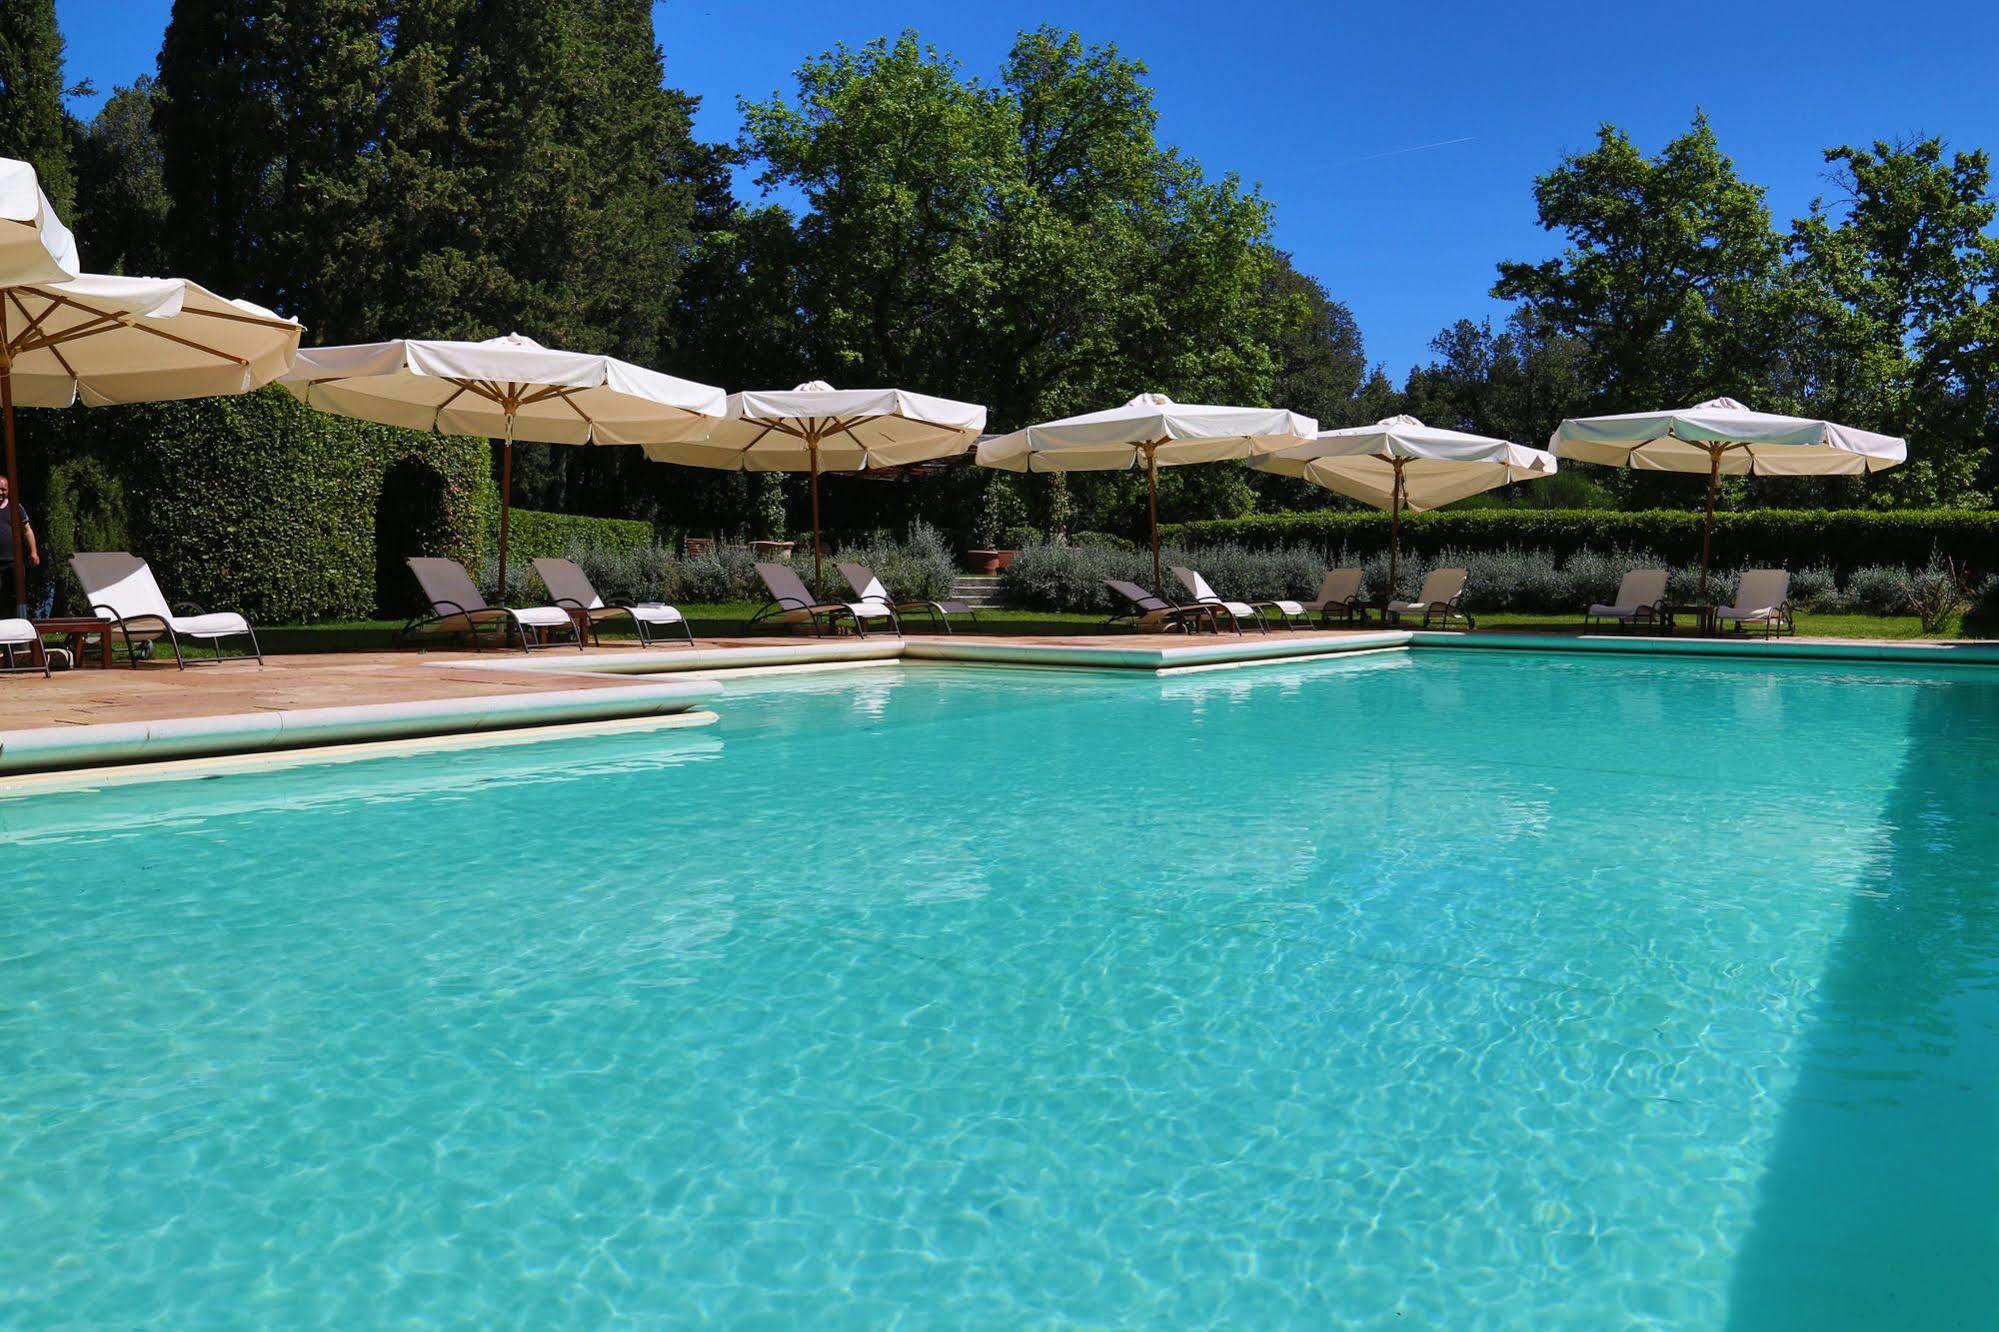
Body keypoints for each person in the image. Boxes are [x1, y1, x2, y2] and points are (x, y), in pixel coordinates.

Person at [0, 474, 40, 616]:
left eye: (3, 489)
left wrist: (33, 552)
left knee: (15, 596)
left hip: (13, 561)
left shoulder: (15, 507)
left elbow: (27, 530)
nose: (0, 493)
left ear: (8, 490)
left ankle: (15, 628)